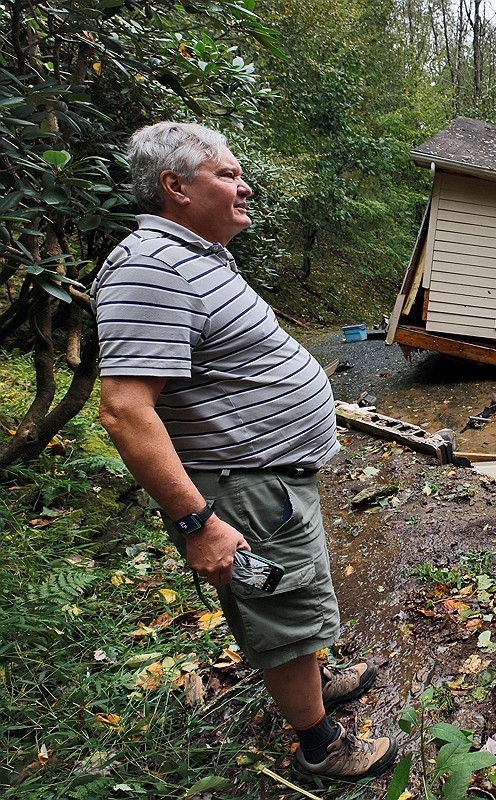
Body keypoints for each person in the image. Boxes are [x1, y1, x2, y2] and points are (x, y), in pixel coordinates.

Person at [93, 121, 398, 781]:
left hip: (270, 486)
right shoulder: (151, 265)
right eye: (227, 174)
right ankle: (320, 745)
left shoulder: (195, 255)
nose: (244, 184)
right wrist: (196, 522)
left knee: (289, 595)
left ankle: (315, 676)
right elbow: (123, 408)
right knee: (279, 612)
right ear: (175, 187)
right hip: (241, 494)